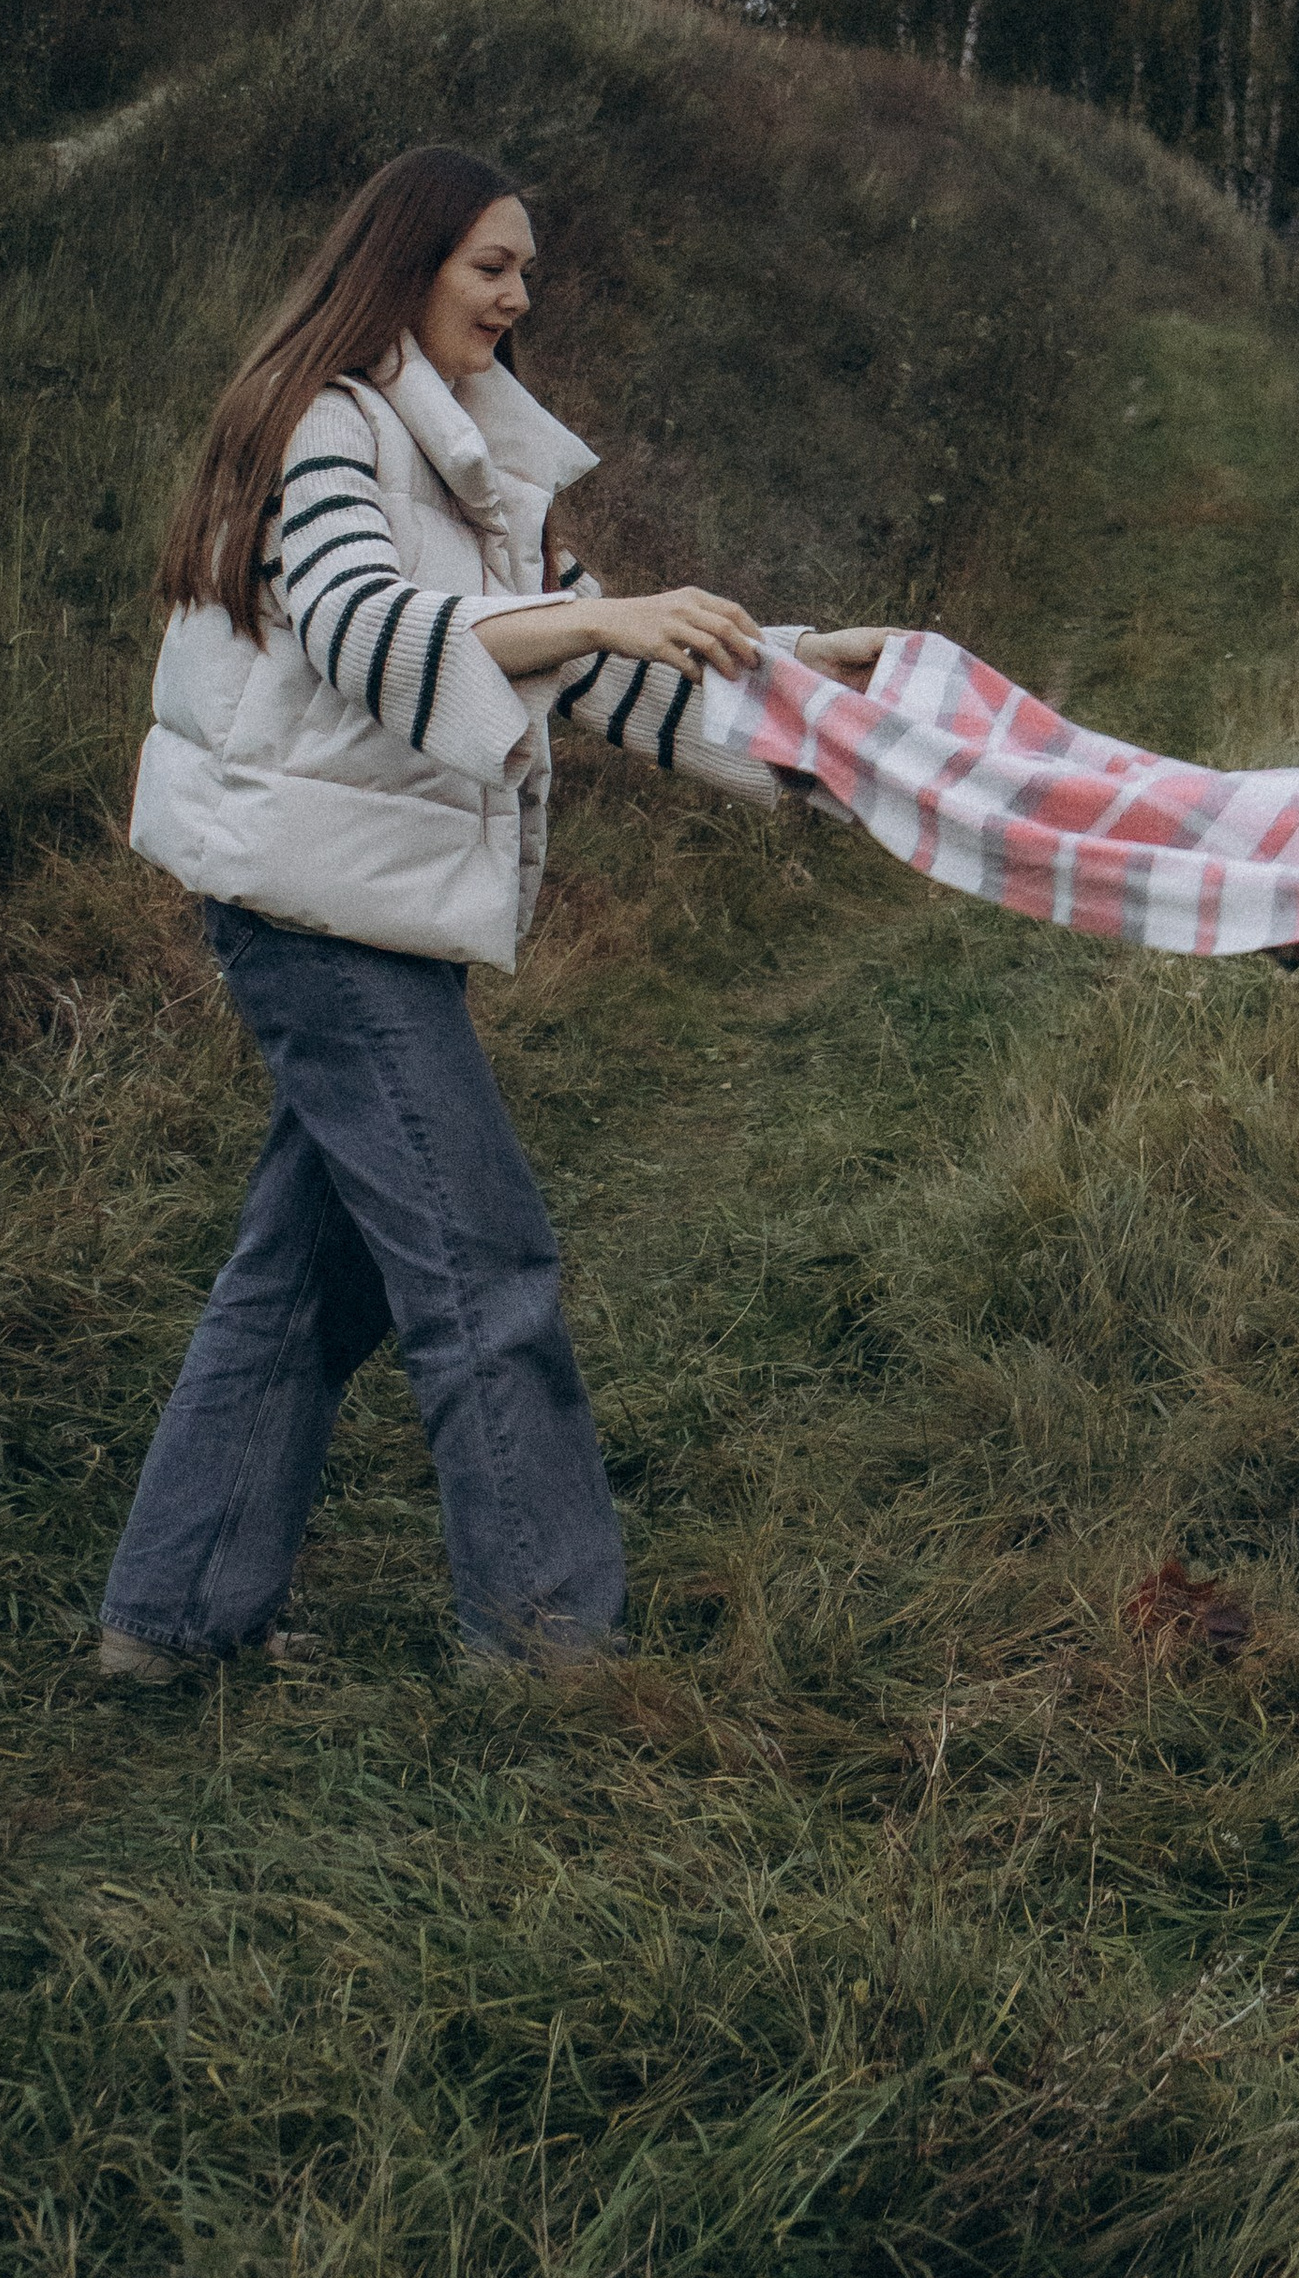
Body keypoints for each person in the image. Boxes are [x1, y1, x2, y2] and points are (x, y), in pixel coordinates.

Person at [98, 144, 879, 1681]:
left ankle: (171, 1619)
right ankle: (542, 1641)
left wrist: (798, 685)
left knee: (307, 1271)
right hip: (316, 920)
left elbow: (587, 671)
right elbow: (367, 629)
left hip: (360, 910)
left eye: (525, 271)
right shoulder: (326, 424)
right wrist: (591, 608)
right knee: (483, 1264)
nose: (521, 296)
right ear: (405, 265)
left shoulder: (461, 458)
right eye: (492, 266)